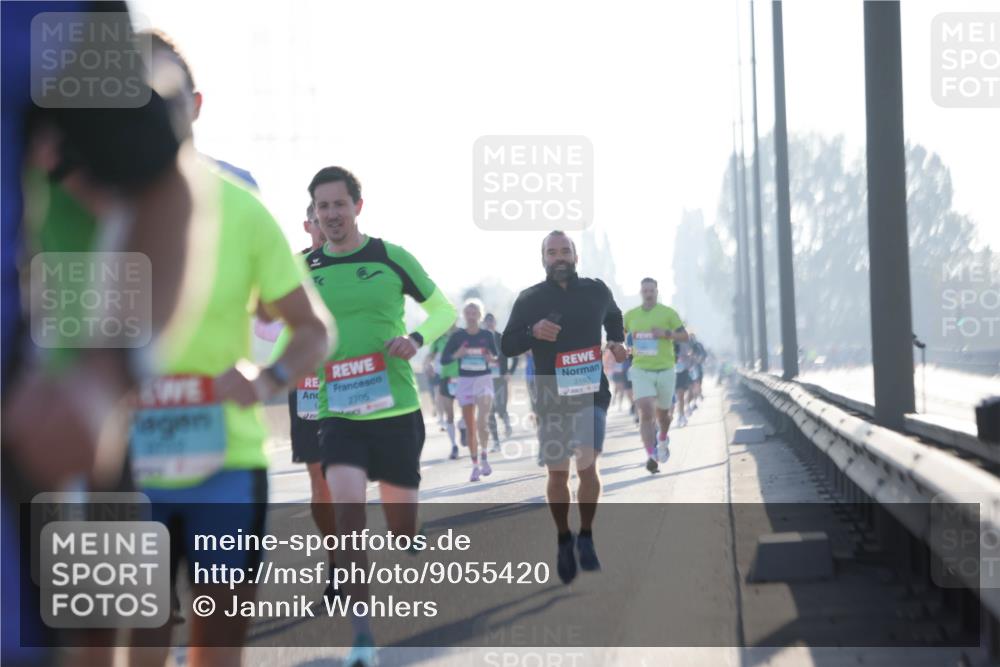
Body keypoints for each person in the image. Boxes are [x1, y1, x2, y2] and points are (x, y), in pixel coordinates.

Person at [123, 34, 332, 667]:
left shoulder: (240, 209)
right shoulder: (80, 209)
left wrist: (268, 381)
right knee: (135, 642)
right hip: (120, 470)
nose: (149, 114)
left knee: (216, 645)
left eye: (166, 99)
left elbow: (312, 328)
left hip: (225, 465)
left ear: (196, 105)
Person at [307, 166, 455, 666]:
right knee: (348, 511)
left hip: (396, 409)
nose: (331, 215)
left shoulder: (391, 258)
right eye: (322, 206)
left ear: (357, 207)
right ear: (315, 213)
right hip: (338, 411)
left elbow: (443, 311)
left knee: (402, 528)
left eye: (339, 205)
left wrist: (414, 340)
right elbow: (269, 325)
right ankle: (362, 635)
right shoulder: (301, 268)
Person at [501, 231, 626, 585]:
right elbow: (507, 344)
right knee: (557, 474)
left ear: (575, 255)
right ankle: (563, 538)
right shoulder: (530, 299)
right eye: (552, 252)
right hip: (551, 396)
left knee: (587, 464)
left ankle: (585, 534)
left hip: (590, 392)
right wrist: (532, 331)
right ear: (543, 258)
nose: (559, 257)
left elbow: (614, 318)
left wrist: (617, 341)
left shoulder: (597, 290)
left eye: (565, 251)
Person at [258, 202, 342, 602]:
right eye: (317, 220)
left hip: (354, 383)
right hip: (308, 386)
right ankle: (336, 562)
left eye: (331, 217)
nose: (324, 226)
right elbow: (266, 323)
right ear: (307, 224)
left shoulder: (362, 260)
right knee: (320, 482)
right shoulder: (291, 266)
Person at [623, 278, 688, 473]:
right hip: (641, 369)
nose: (648, 294)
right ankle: (651, 455)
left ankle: (662, 439)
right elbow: (625, 336)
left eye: (651, 290)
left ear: (656, 291)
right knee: (645, 412)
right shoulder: (631, 315)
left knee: (664, 416)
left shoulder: (668, 313)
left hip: (666, 368)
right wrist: (628, 345)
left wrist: (666, 333)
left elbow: (684, 336)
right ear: (641, 292)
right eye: (645, 290)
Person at [441, 300, 498, 481]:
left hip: (483, 380)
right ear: (464, 316)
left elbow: (496, 357)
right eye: (468, 313)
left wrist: (490, 358)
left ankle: (484, 457)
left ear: (479, 315)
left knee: (482, 421)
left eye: (474, 313)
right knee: (471, 426)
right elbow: (444, 359)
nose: (471, 316)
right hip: (465, 381)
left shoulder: (487, 335)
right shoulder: (457, 336)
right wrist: (457, 355)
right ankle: (475, 466)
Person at [484, 313, 518, 451]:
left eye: (491, 321)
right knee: (490, 410)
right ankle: (496, 442)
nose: (489, 323)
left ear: (495, 322)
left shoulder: (501, 338)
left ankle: (506, 421)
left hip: (501, 377)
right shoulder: (480, 339)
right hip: (486, 379)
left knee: (501, 407)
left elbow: (514, 356)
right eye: (487, 321)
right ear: (484, 323)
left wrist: (510, 372)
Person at [429, 326, 461, 458]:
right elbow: (430, 356)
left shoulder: (461, 334)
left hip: (462, 377)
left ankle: (463, 426)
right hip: (445, 378)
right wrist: (428, 364)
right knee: (450, 415)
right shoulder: (438, 339)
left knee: (467, 410)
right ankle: (454, 446)